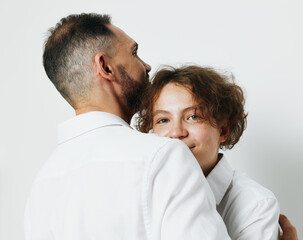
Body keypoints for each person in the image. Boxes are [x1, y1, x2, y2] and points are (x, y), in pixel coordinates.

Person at [24, 13, 231, 239]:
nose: (146, 65)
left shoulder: (41, 185)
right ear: (105, 66)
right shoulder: (165, 156)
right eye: (134, 53)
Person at [137, 65, 278, 239]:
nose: (176, 132)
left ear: (223, 130)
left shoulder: (256, 205)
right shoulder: (144, 194)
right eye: (163, 120)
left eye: (193, 117)